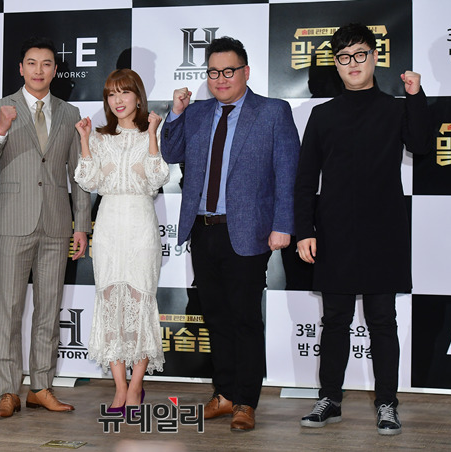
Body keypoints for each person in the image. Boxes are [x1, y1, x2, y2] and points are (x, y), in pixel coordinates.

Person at [294, 23, 432, 436]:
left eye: (359, 54)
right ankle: (329, 399)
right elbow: (305, 180)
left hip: (384, 232)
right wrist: (304, 230)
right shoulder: (322, 115)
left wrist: (415, 96)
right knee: (335, 320)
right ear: (336, 65)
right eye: (343, 57)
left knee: (382, 321)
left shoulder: (395, 108)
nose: (352, 63)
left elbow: (422, 145)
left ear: (374, 57)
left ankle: (387, 403)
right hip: (333, 232)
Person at [160, 36, 300, 431]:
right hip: (203, 231)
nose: (220, 79)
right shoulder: (197, 112)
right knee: (216, 317)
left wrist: (283, 225)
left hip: (249, 232)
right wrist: (175, 113)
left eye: (229, 71)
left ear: (246, 72)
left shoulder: (272, 111)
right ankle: (222, 394)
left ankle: (245, 401)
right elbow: (170, 153)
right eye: (213, 72)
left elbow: (288, 172)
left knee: (245, 319)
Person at [0, 36, 91, 418]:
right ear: (21, 68)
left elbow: (79, 174)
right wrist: (1, 130)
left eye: (46, 64)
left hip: (56, 224)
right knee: (9, 309)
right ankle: (8, 391)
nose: (39, 70)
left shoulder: (70, 113)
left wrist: (82, 225)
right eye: (32, 63)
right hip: (14, 222)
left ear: (55, 70)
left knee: (48, 310)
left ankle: (41, 387)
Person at [74, 69, 169, 414]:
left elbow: (157, 178)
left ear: (138, 98)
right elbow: (87, 181)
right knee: (110, 303)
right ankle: (119, 388)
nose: (118, 100)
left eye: (124, 93)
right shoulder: (101, 137)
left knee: (140, 302)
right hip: (109, 225)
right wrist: (85, 140)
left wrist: (153, 134)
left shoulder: (152, 132)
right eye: (111, 94)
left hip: (141, 225)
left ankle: (136, 386)